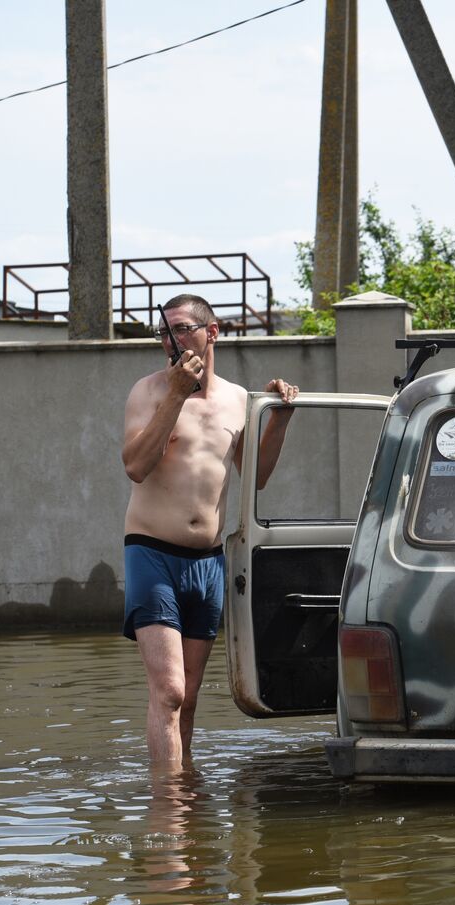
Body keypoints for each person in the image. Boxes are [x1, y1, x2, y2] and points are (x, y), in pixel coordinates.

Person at [120, 293, 298, 768]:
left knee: (191, 696)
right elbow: (136, 467)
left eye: (181, 329)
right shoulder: (149, 391)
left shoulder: (238, 400)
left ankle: (183, 808)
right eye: (165, 331)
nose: (171, 341)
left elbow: (254, 477)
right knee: (171, 691)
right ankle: (168, 808)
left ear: (211, 332)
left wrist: (278, 422)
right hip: (151, 553)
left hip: (207, 561)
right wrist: (178, 392)